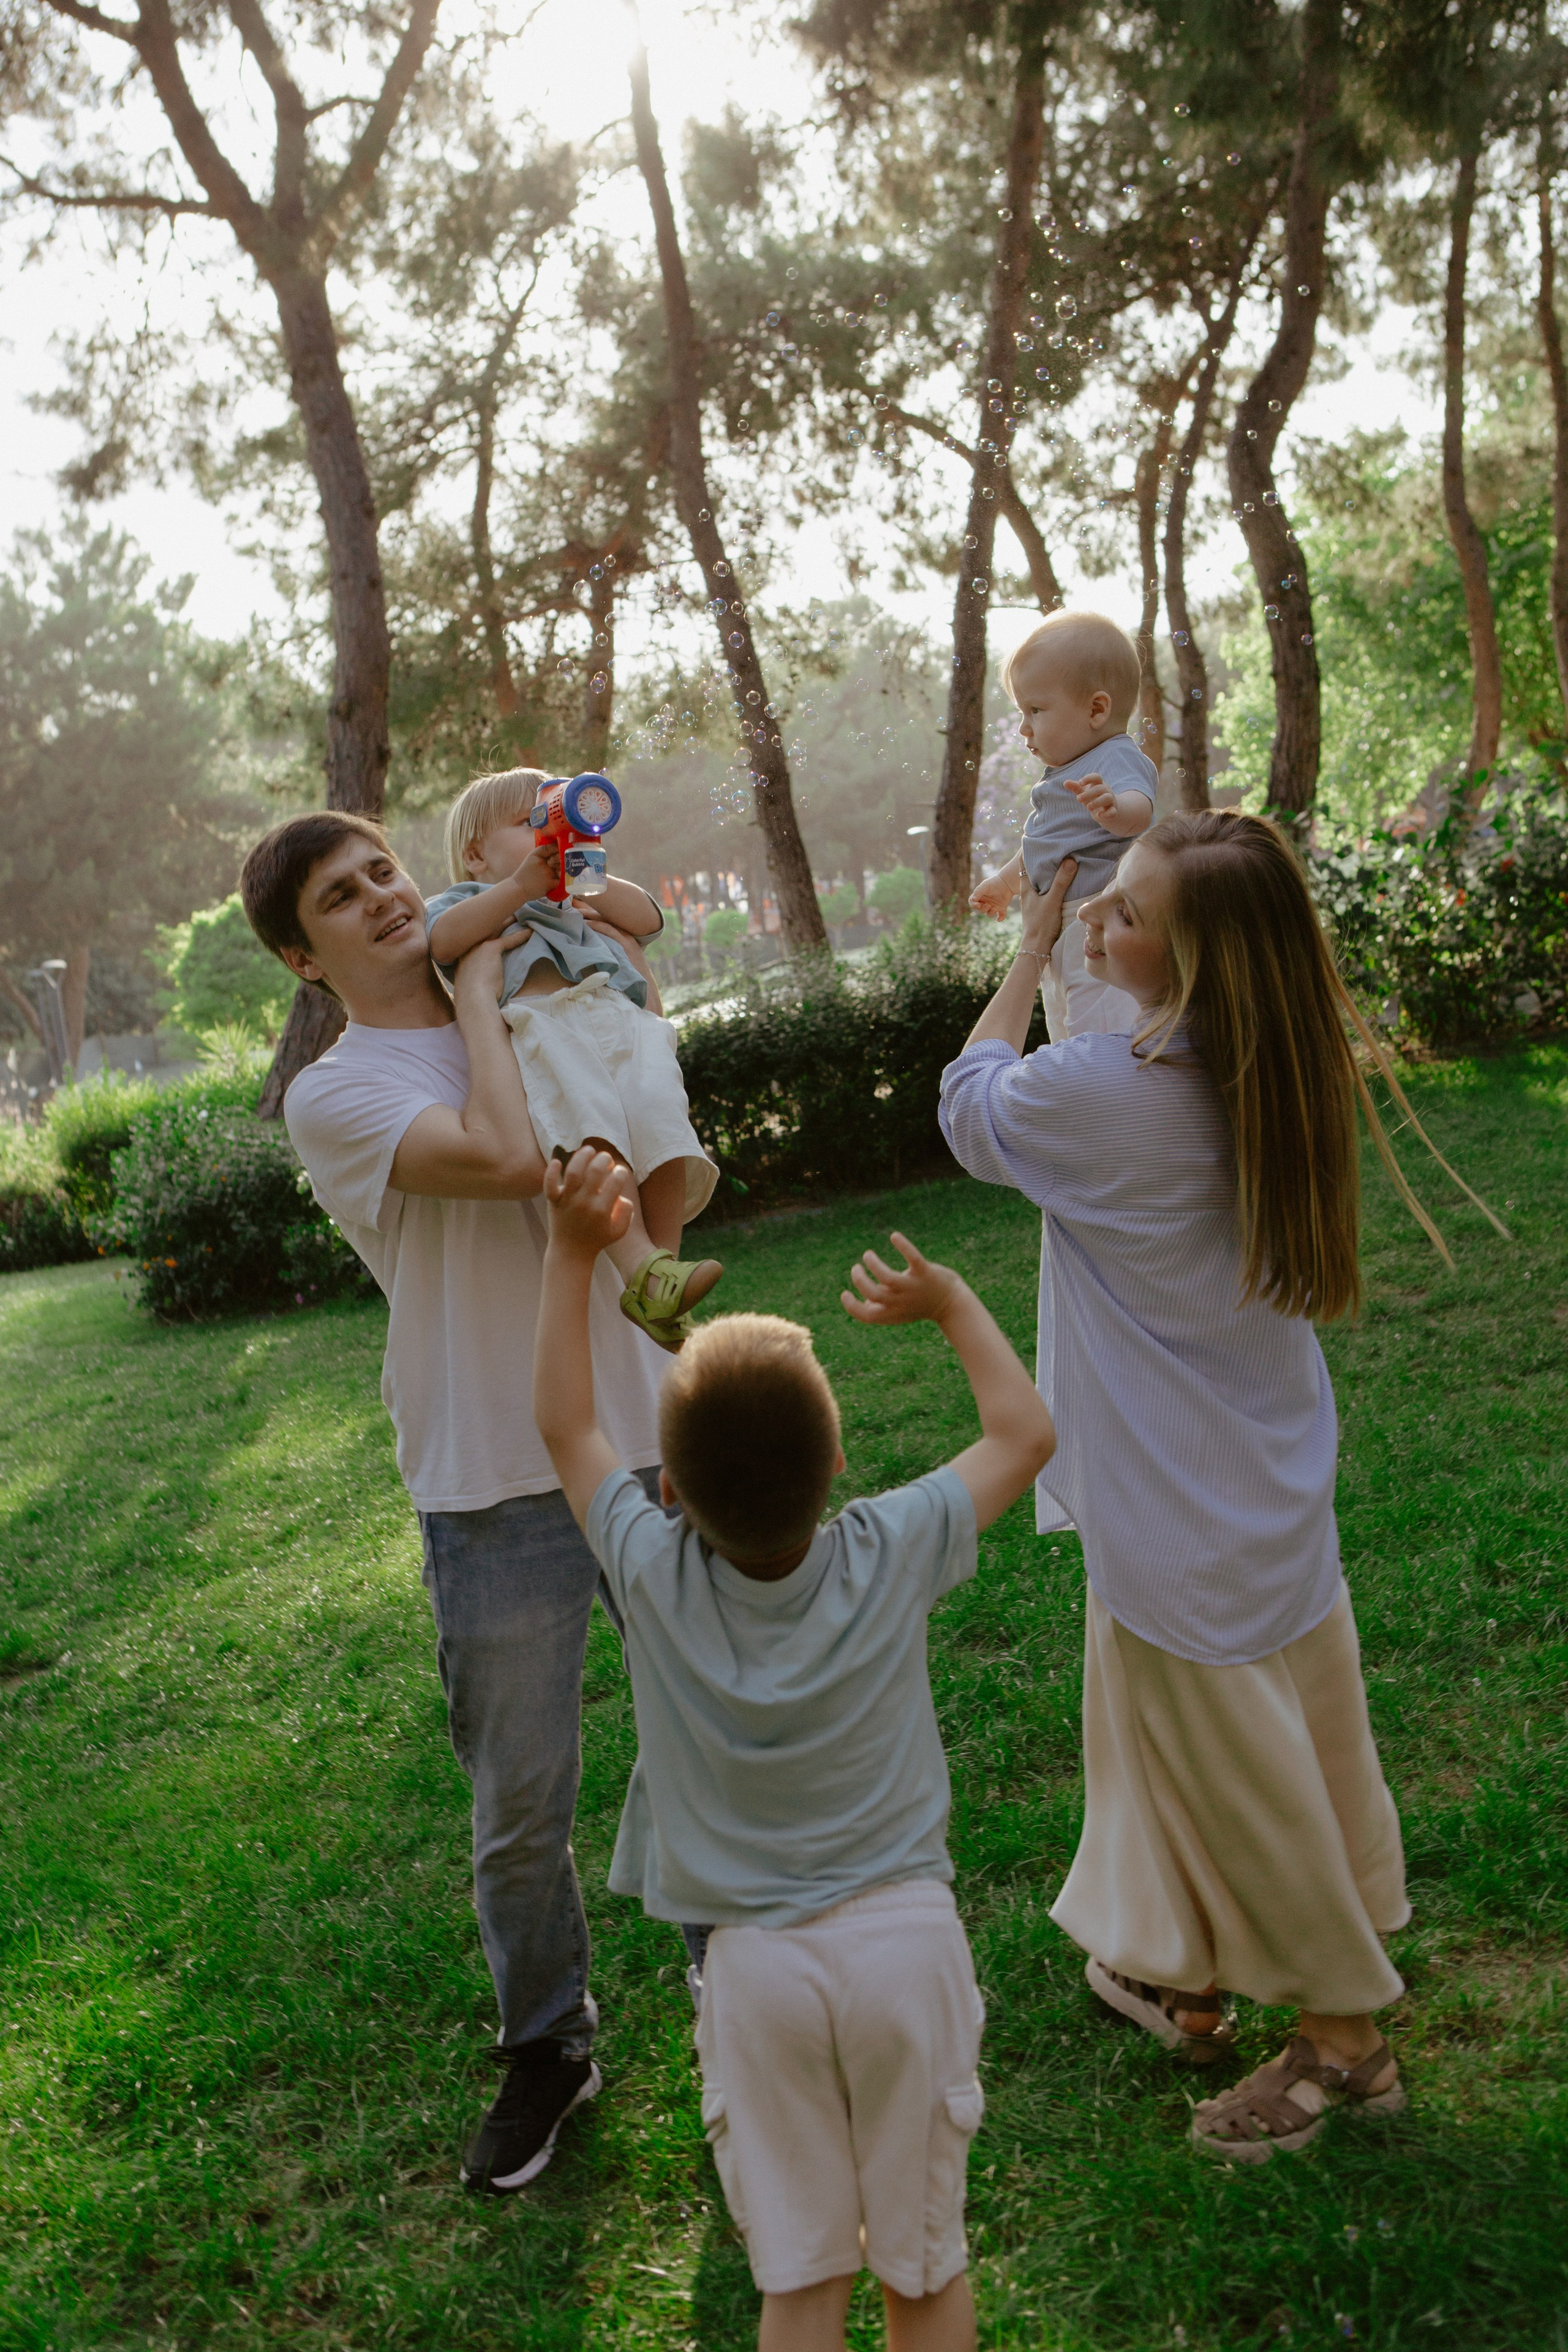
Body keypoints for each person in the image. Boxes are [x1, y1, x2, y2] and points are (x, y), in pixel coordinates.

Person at [940, 810, 1504, 2163]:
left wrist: (1016, 959)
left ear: (1189, 963)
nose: (1093, 923)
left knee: (1228, 1763)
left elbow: (965, 1105)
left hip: (1172, 1502)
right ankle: (1173, 1967)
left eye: (1124, 915)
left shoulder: (1094, 1092)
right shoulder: (1260, 1067)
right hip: (1258, 1469)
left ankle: (1341, 2044)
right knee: (1212, 1730)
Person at [530, 1145, 1054, 2350]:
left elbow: (562, 1422)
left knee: (800, 2284)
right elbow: (1022, 1435)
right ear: (832, 1467)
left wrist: (569, 1252)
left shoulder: (650, 1569)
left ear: (669, 1493)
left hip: (753, 1974)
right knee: (919, 2273)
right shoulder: (885, 1545)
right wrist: (952, 1304)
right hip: (903, 1947)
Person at [238, 809, 672, 2196]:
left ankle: (749, 1986)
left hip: (644, 1435)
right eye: (338, 896)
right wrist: (477, 987)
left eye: (383, 869)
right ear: (304, 958)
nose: (379, 895)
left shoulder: (551, 974)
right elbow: (498, 1158)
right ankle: (547, 2041)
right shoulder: (339, 1090)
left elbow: (646, 1120)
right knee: (520, 1798)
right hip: (488, 1470)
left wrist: (528, 966)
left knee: (715, 1721)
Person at [426, 767, 722, 1352]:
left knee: (662, 1126)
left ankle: (662, 1272)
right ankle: (640, 1264)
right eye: (530, 820)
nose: (548, 829)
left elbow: (648, 919)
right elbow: (443, 941)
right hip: (550, 1023)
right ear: (475, 854)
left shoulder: (582, 890)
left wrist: (591, 875)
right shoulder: (473, 899)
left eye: (556, 816)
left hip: (619, 1019)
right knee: (594, 1128)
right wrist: (518, 888)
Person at [968, 610, 1157, 1041]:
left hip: (1099, 924)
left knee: (1101, 1031)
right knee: (1062, 1022)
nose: (1022, 727)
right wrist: (1005, 881)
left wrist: (1115, 809)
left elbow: (1140, 809)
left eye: (1035, 709)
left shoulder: (1116, 757)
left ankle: (1102, 1091)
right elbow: (1042, 843)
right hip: (1060, 929)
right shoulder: (1062, 775)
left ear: (1096, 709)